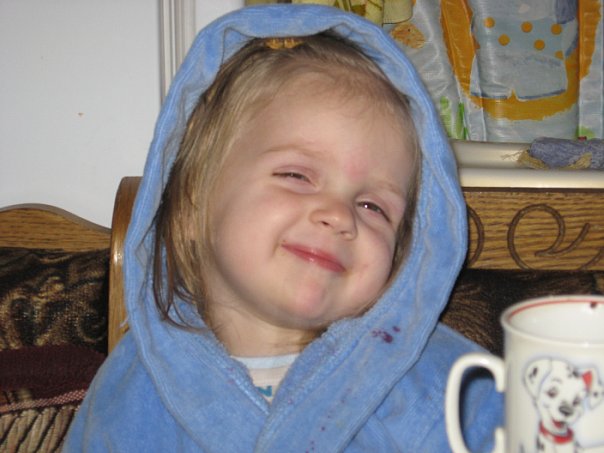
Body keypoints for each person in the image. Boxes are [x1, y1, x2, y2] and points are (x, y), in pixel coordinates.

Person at [64, 4, 502, 451]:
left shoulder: (452, 391)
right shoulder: (128, 396)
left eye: (373, 206)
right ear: (194, 203)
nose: (339, 215)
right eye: (297, 175)